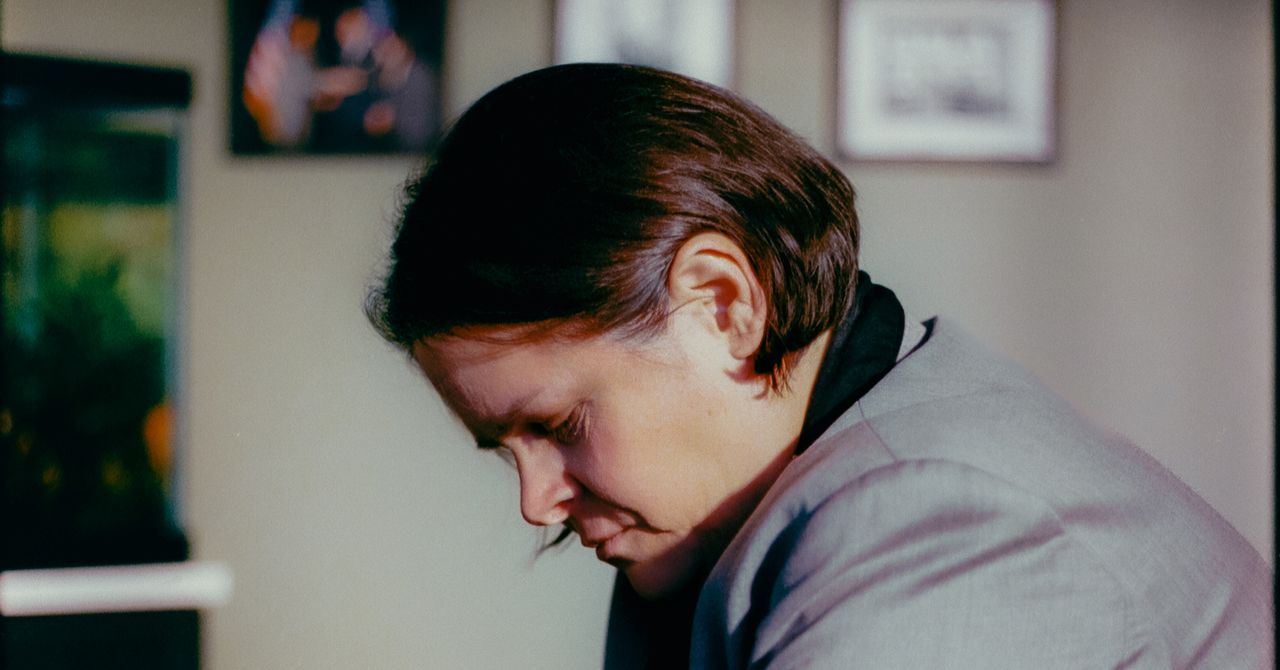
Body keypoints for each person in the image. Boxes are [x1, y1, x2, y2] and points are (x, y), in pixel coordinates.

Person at [367, 64, 1273, 668]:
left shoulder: (941, 526)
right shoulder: (764, 508)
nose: (535, 502)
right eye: (506, 448)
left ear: (722, 306)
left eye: (558, 424)